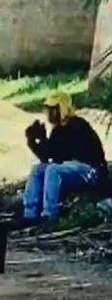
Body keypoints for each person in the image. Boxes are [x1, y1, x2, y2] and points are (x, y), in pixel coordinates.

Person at [23, 91, 108, 223]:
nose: (49, 113)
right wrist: (33, 142)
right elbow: (48, 158)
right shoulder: (58, 130)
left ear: (62, 108)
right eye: (48, 109)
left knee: (53, 170)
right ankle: (29, 214)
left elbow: (61, 155)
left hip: (91, 171)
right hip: (72, 169)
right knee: (37, 170)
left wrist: (43, 141)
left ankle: (49, 214)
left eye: (53, 109)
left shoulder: (78, 126)